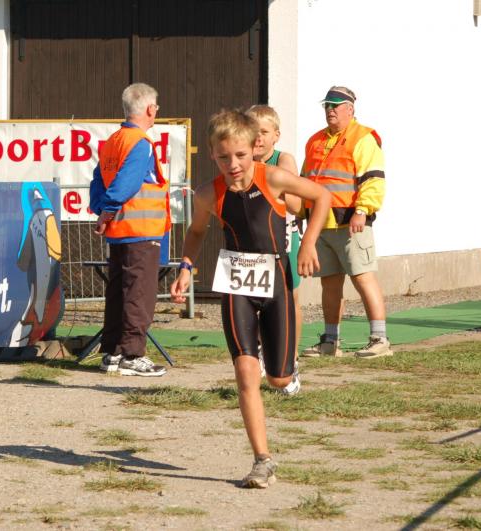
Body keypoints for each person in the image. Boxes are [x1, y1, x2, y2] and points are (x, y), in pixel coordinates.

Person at [170, 109, 331, 488]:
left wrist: (309, 243)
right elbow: (196, 232)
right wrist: (186, 266)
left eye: (240, 155)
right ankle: (262, 460)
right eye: (223, 157)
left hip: (275, 282)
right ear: (212, 154)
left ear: (253, 149)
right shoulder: (208, 193)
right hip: (236, 284)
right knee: (245, 373)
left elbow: (322, 196)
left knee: (277, 378)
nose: (233, 164)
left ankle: (284, 370)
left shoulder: (272, 177)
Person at [299, 86, 392, 359]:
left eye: (336, 105)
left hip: (352, 223)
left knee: (363, 278)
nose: (330, 110)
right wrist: (302, 214)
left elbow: (373, 179)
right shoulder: (314, 140)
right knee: (329, 283)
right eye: (327, 105)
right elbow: (304, 181)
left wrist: (362, 210)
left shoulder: (363, 137)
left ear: (350, 109)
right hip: (321, 224)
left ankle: (380, 339)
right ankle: (330, 342)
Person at [89, 83, 170, 377]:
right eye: (156, 107)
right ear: (150, 109)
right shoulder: (141, 143)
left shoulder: (113, 141)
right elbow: (128, 182)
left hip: (119, 230)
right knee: (139, 292)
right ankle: (132, 355)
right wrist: (107, 210)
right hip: (141, 230)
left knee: (118, 292)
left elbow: (98, 180)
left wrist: (101, 211)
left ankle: (112, 352)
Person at [246, 105, 303, 385]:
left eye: (264, 132)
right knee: (252, 302)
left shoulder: (283, 160)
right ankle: (259, 354)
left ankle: (291, 360)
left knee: (289, 300)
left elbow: (296, 203)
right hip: (252, 242)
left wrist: (268, 181)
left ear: (276, 136)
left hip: (284, 239)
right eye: (253, 131)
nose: (258, 138)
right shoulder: (241, 159)